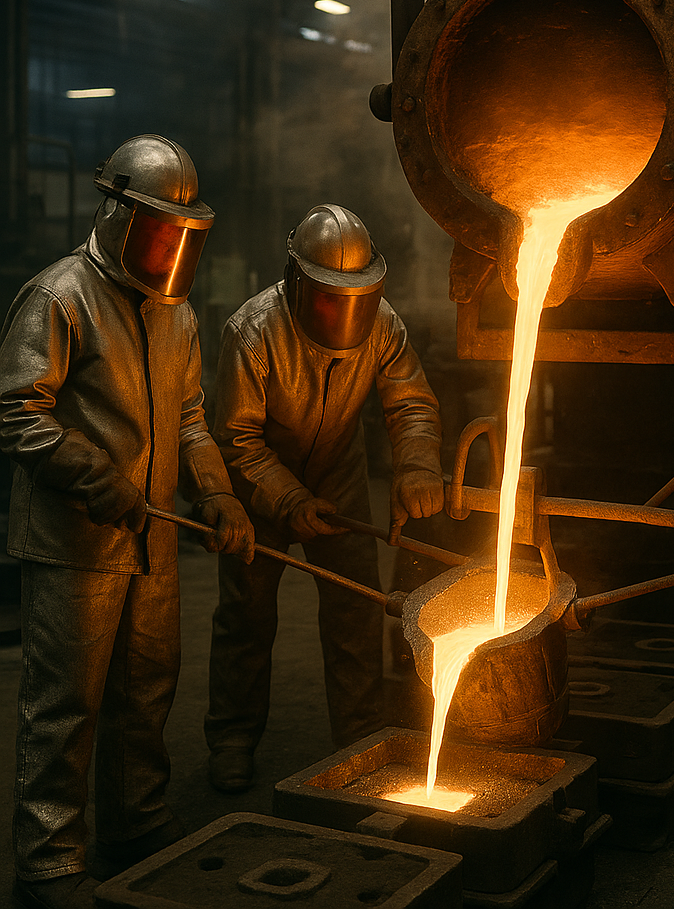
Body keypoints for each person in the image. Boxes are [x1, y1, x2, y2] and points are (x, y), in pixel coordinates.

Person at [0, 135, 255, 909]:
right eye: (159, 228)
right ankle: (48, 862)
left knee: (147, 690)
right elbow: (17, 409)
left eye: (184, 233)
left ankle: (136, 824)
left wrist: (217, 495)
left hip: (155, 543)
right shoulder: (60, 296)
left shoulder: (173, 314)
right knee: (66, 705)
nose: (171, 245)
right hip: (77, 543)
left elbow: (189, 419)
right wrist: (92, 475)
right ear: (116, 214)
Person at [204, 203, 444, 792]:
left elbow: (411, 404)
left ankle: (361, 738)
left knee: (355, 608)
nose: (344, 310)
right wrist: (286, 500)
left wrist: (416, 466)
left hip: (338, 474)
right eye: (330, 296)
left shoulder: (382, 324)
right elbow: (235, 437)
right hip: (262, 483)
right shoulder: (252, 331)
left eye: (356, 295)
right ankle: (233, 736)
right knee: (247, 614)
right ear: (296, 282)